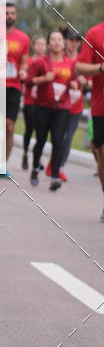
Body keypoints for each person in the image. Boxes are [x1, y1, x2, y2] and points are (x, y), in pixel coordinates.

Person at [29, 29, 77, 190]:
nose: (57, 42)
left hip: (62, 107)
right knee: (41, 140)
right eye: (53, 39)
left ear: (64, 44)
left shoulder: (70, 63)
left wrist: (74, 84)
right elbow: (29, 81)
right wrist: (44, 79)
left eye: (59, 39)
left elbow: (74, 80)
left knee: (58, 140)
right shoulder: (40, 62)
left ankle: (54, 176)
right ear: (49, 44)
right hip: (43, 106)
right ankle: (35, 168)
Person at [47, 29, 85, 181]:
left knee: (68, 138)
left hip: (76, 106)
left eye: (77, 41)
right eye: (71, 40)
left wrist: (84, 81)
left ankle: (59, 167)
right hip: (59, 105)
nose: (73, 43)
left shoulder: (83, 59)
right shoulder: (58, 57)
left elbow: (90, 81)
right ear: (65, 41)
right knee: (57, 138)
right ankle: (53, 165)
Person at [76, 22, 104, 219]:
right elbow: (80, 67)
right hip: (101, 106)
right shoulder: (95, 33)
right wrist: (101, 67)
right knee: (102, 155)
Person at [3, 2, 29, 176]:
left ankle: (3, 165)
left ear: (16, 15)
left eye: (12, 13)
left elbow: (24, 62)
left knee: (9, 127)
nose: (9, 16)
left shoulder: (23, 38)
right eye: (6, 13)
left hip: (13, 86)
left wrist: (23, 70)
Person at [21, 35, 46, 170]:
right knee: (30, 129)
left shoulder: (48, 62)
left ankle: (38, 157)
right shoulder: (29, 62)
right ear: (33, 46)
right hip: (30, 100)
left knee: (41, 131)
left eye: (43, 44)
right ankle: (25, 153)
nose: (41, 47)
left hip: (43, 102)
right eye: (38, 44)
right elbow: (23, 76)